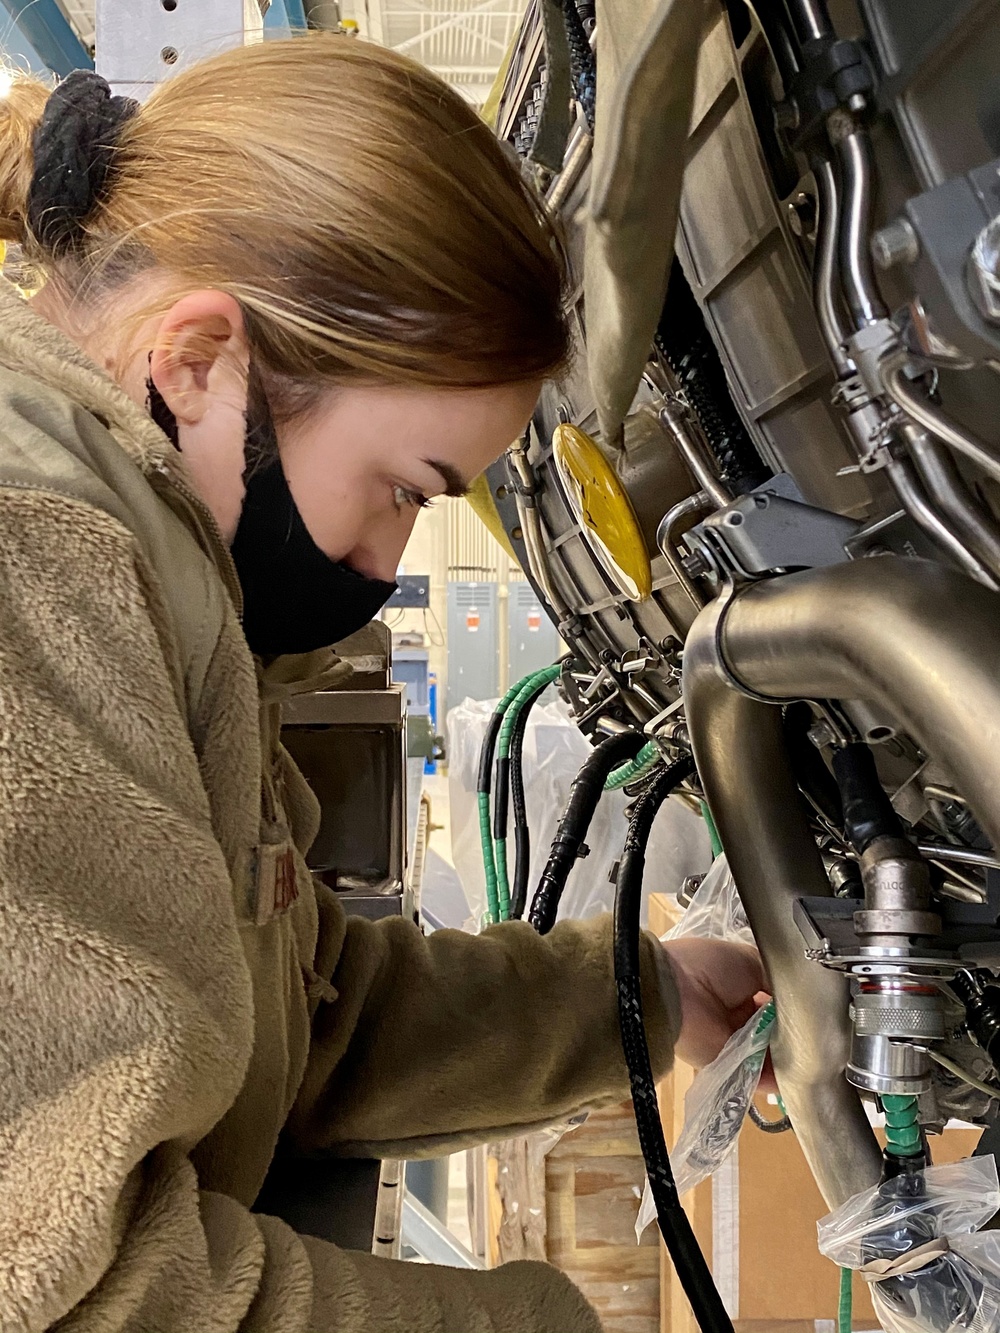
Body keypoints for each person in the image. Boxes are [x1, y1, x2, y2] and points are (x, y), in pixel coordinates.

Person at [0, 38, 767, 1333]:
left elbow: (306, 1018)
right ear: (200, 360)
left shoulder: (152, 549)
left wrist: (645, 991)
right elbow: (84, 1289)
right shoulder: (40, 554)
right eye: (408, 491)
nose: (384, 559)